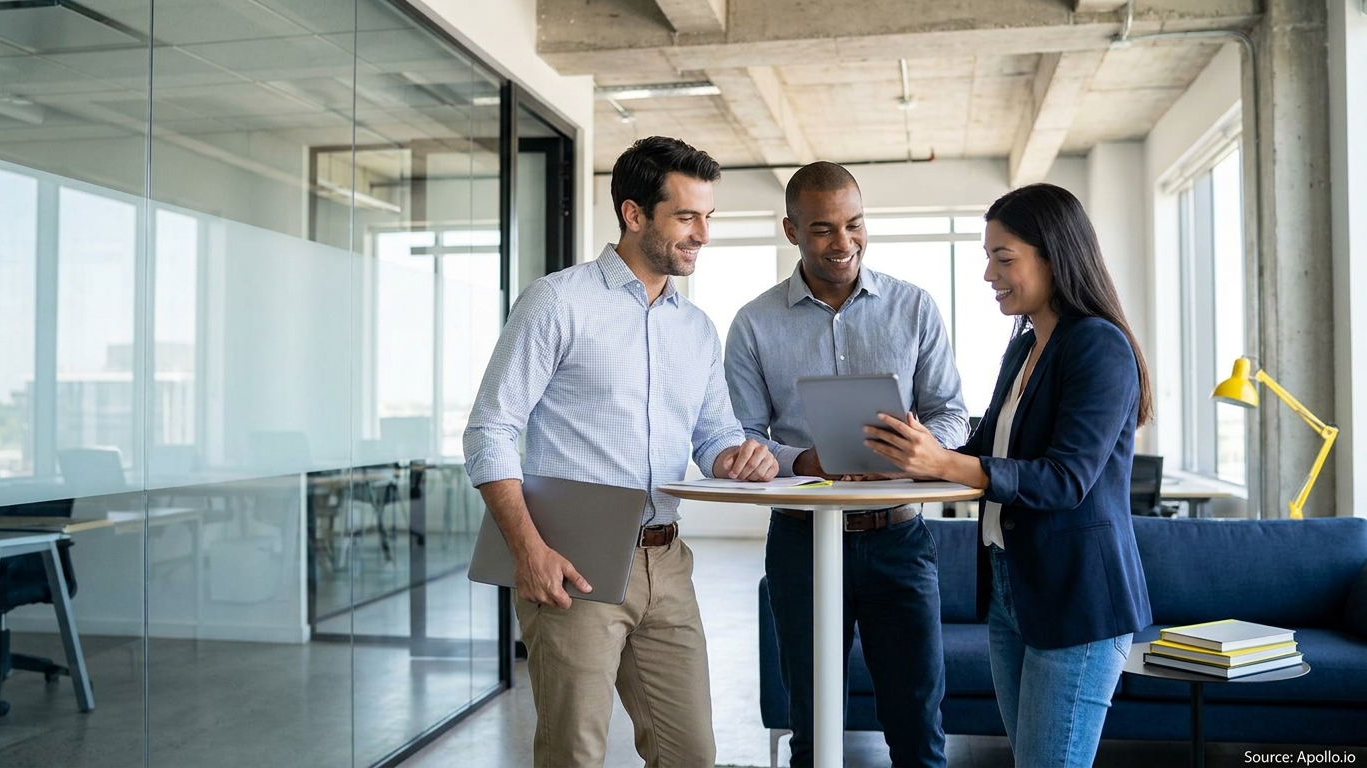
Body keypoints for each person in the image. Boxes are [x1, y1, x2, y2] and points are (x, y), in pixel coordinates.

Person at [463, 135, 777, 768]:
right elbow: (489, 431)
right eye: (686, 217)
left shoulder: (694, 327)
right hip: (571, 564)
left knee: (690, 752)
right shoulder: (557, 301)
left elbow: (713, 433)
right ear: (634, 215)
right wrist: (529, 551)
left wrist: (738, 457)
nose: (703, 235)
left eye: (707, 217)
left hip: (668, 558)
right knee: (574, 754)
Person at [865, 183, 1154, 768]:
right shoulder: (1023, 349)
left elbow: (1064, 480)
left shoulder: (1098, 345)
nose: (988, 274)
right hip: (1010, 587)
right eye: (986, 257)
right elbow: (981, 450)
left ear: (1053, 254)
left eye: (1004, 257)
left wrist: (945, 463)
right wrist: (907, 457)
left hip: (1076, 599)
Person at [724, 161, 969, 768]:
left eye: (855, 225)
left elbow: (953, 415)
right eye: (823, 230)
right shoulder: (754, 323)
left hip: (899, 539)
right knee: (811, 722)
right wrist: (805, 459)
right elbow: (742, 435)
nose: (843, 244)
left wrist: (917, 453)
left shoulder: (914, 308)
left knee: (917, 724)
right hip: (801, 544)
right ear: (791, 231)